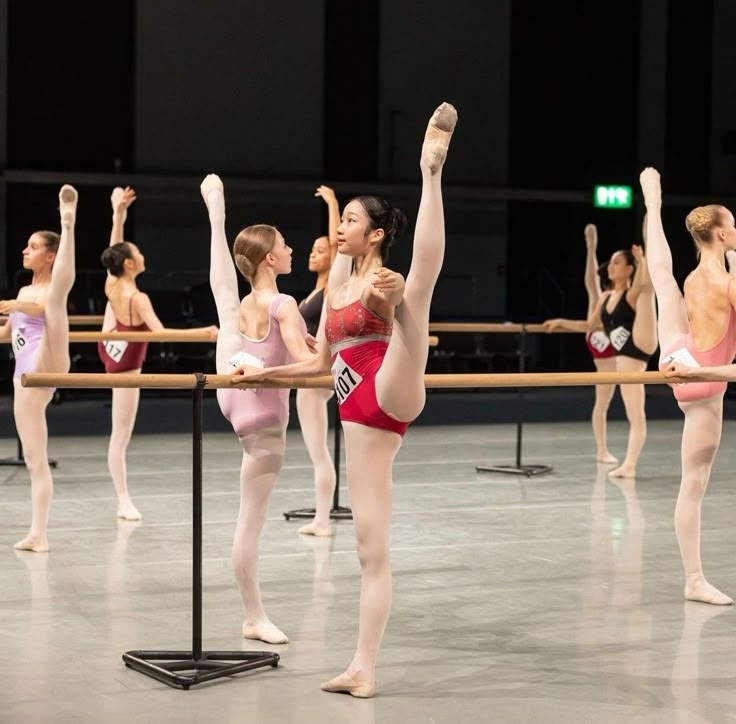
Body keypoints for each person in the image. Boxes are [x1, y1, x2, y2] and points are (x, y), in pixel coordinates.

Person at [234, 102, 457, 697]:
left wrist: (392, 306)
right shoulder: (337, 282)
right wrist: (264, 377)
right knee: (368, 548)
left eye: (351, 219)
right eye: (342, 219)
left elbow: (365, 345)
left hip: (393, 381)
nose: (341, 226)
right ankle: (362, 667)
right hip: (357, 411)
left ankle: (430, 167)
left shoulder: (381, 276)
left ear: (376, 234)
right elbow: (318, 363)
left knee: (415, 294)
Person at [200, 173, 314, 645]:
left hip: (232, 389)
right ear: (271, 258)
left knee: (226, 304)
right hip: (264, 412)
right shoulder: (284, 302)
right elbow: (308, 364)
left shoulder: (252, 301)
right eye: (285, 246)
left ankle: (216, 216)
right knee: (251, 519)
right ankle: (253, 616)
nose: (291, 250)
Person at [642, 167, 736, 605]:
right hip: (701, 381)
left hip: (679, 354)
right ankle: (693, 579)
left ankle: (653, 206)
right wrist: (712, 374)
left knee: (663, 283)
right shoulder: (726, 282)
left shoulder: (695, 277)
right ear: (719, 235)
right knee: (693, 483)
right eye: (732, 225)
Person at [99, 186, 218, 521]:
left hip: (112, 349)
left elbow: (113, 250)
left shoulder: (112, 285)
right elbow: (161, 333)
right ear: (129, 263)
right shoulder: (139, 298)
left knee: (118, 437)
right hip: (125, 365)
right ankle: (122, 499)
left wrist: (117, 214)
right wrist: (204, 333)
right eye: (137, 252)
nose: (143, 255)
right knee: (120, 437)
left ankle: (123, 498)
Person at [0, 185, 78, 552]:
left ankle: (69, 221)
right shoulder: (24, 292)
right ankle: (38, 534)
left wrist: (13, 304)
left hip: (49, 358)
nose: (24, 251)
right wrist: (11, 309)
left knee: (56, 302)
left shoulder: (36, 294)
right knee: (35, 460)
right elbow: (7, 333)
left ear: (50, 256)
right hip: (26, 377)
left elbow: (40, 309)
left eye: (32, 247)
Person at [544, 224, 618, 463]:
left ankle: (591, 247)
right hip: (607, 351)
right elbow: (588, 322)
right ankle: (601, 450)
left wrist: (561, 322)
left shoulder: (611, 296)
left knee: (593, 294)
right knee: (603, 405)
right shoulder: (612, 296)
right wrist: (561, 321)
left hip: (605, 344)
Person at [586, 234, 657, 478]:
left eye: (618, 262)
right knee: (630, 412)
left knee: (636, 415)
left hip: (636, 353)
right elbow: (589, 325)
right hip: (621, 358)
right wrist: (559, 323)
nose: (612, 266)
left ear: (629, 269)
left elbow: (642, 285)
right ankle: (620, 460)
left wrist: (642, 260)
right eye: (611, 262)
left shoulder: (630, 295)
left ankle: (630, 465)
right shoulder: (606, 297)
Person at [296, 185, 339, 536]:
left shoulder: (331, 286)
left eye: (320, 249)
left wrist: (332, 203)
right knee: (316, 450)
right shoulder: (315, 289)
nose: (314, 253)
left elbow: (339, 245)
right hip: (310, 370)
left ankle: (323, 519)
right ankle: (321, 517)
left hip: (317, 373)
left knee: (318, 451)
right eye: (312, 249)